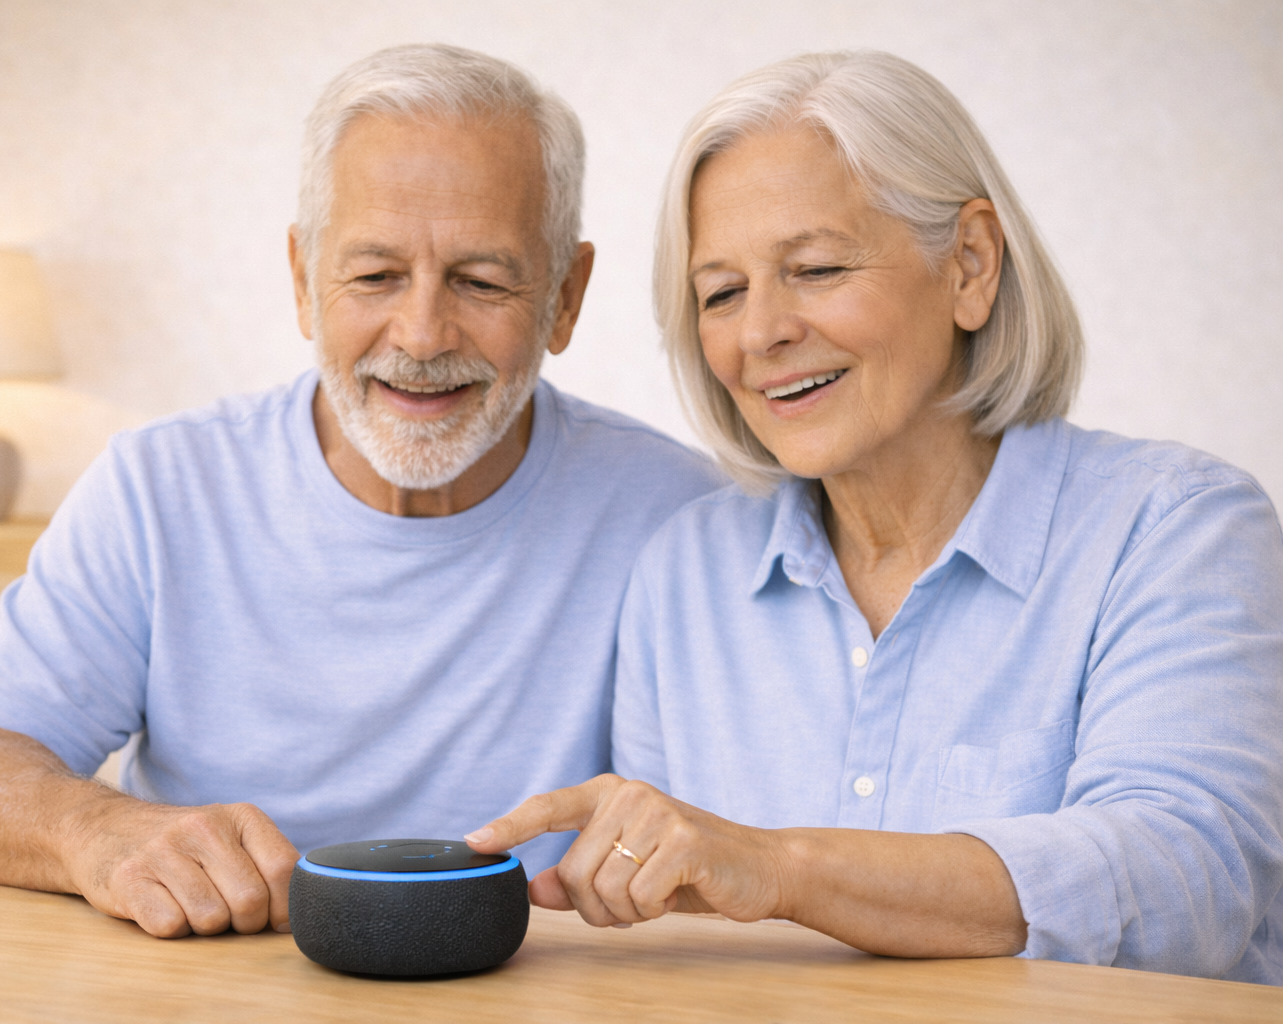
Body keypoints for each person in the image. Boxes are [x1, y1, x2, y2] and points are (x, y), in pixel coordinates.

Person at [466, 50, 1283, 984]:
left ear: (970, 265)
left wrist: (777, 866)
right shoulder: (685, 571)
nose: (762, 332)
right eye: (721, 292)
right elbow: (676, 952)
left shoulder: (1177, 528)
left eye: (815, 267)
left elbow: (1189, 887)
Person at [0, 43, 722, 940]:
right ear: (302, 280)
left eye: (482, 282)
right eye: (373, 276)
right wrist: (97, 831)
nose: (419, 333)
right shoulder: (159, 489)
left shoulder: (679, 515)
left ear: (564, 296)